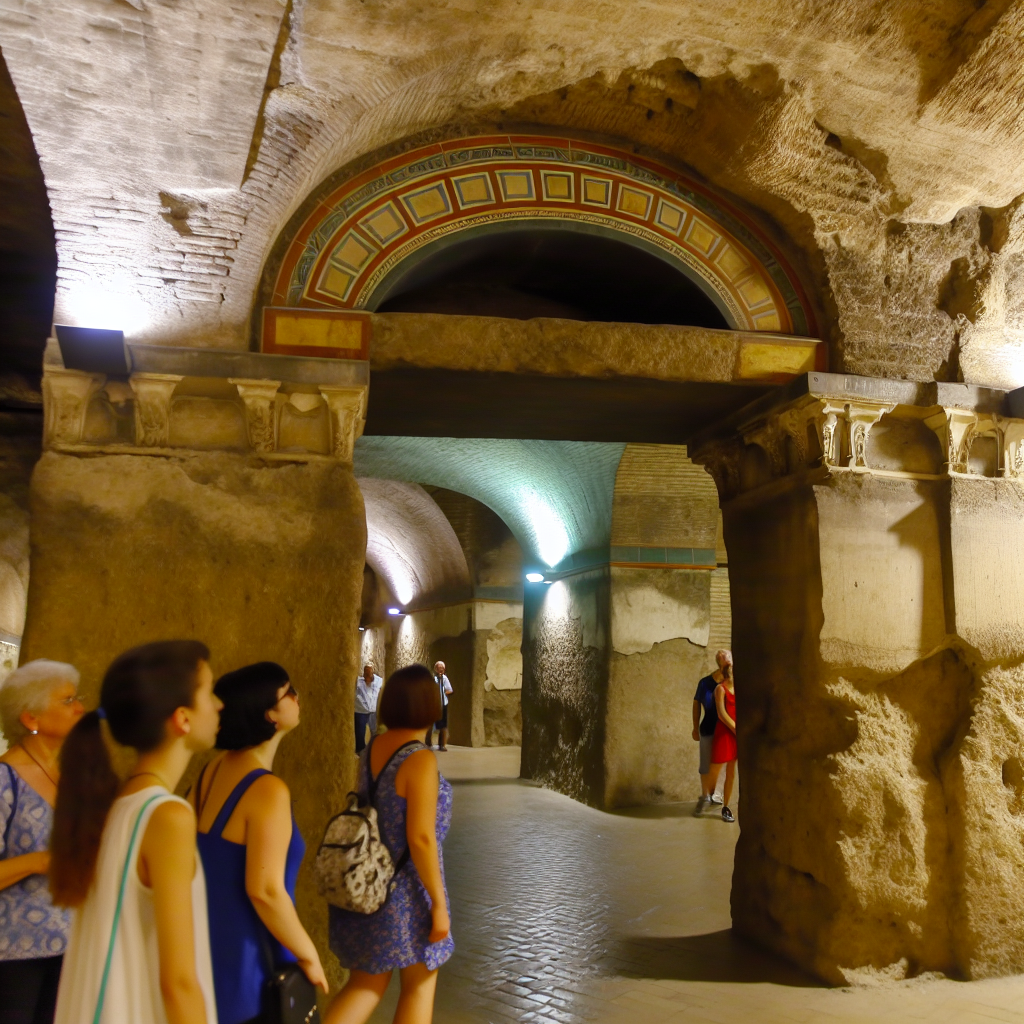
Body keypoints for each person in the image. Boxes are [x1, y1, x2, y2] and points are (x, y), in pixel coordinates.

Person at [50, 640, 222, 1024]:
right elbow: (178, 982)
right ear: (182, 718)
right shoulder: (167, 815)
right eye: (209, 692)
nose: (219, 705)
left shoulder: (121, 803)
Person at [192, 661, 328, 1024]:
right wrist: (309, 954)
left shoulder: (212, 772)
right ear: (270, 714)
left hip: (207, 949)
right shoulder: (267, 791)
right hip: (252, 959)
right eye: (289, 693)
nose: (298, 698)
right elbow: (265, 891)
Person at [326, 664, 454, 1024]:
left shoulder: (373, 748)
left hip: (369, 882)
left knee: (365, 987)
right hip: (407, 891)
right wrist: (439, 903)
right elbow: (421, 837)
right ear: (429, 704)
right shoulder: (419, 758)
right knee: (419, 983)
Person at [0, 661, 84, 1024]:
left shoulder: (68, 774)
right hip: (14, 955)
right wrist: (39, 861)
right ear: (31, 719)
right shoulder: (5, 779)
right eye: (67, 701)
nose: (80, 708)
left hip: (70, 945)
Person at [692, 649, 732, 816]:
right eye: (724, 662)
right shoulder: (705, 683)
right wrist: (695, 727)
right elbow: (696, 704)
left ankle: (716, 793)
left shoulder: (732, 684)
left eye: (728, 661)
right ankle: (706, 795)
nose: (727, 665)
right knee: (706, 765)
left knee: (722, 762)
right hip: (708, 728)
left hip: (725, 730)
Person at [707, 662, 738, 824]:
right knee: (717, 766)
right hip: (726, 731)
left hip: (736, 732)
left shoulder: (740, 689)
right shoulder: (720, 689)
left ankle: (726, 806)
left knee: (732, 771)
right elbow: (721, 713)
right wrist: (735, 729)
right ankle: (712, 794)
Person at [354, 663, 384, 754]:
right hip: (360, 711)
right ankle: (360, 750)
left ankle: (375, 748)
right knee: (360, 732)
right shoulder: (359, 682)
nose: (367, 674)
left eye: (369, 672)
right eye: (365, 672)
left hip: (372, 711)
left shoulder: (378, 681)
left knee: (374, 730)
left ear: (372, 672)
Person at [426, 662, 452, 752]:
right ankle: (428, 743)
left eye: (442, 667)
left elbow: (450, 690)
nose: (440, 669)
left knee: (443, 725)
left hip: (443, 703)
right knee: (430, 724)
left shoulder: (444, 678)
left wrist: (444, 692)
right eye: (438, 667)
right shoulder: (433, 678)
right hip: (434, 703)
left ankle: (442, 744)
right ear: (436, 669)